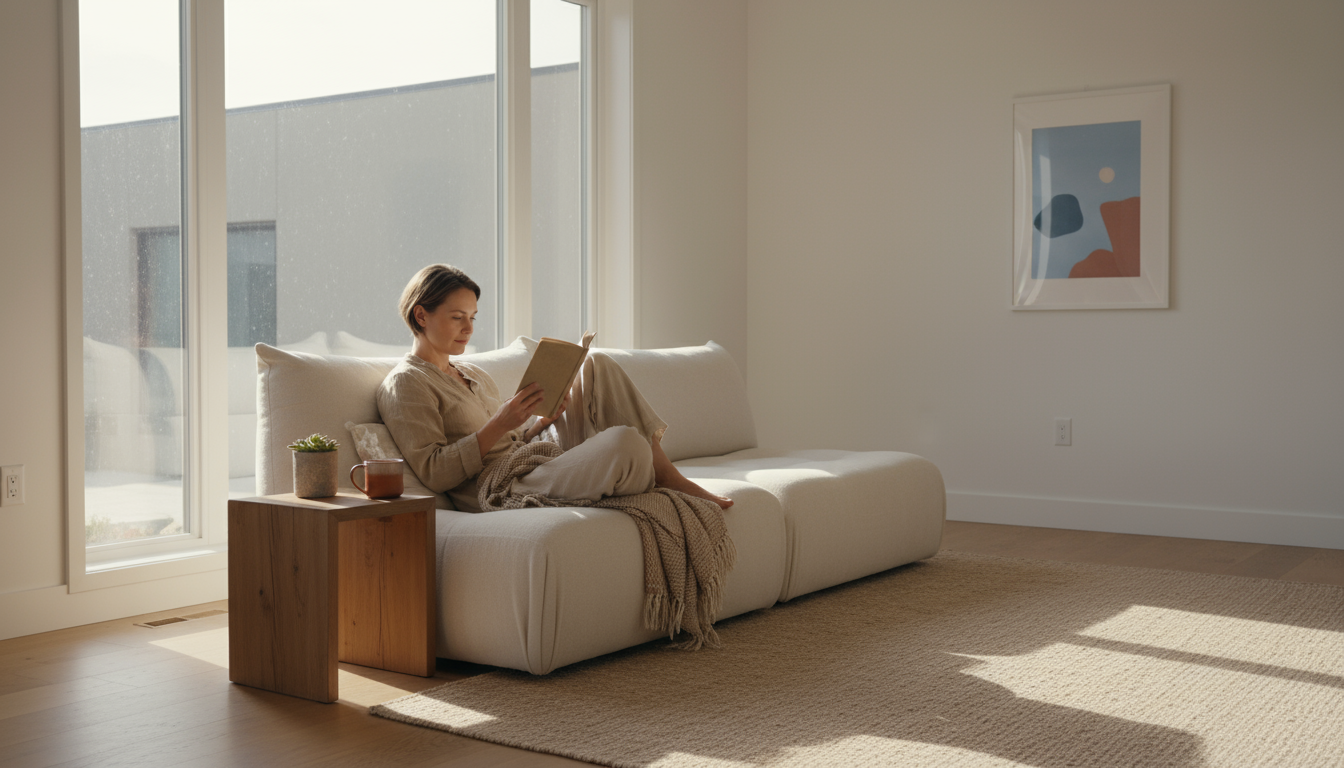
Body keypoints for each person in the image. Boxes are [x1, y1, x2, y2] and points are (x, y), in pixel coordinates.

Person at [377, 264, 732, 513]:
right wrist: (501, 422)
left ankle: (667, 475)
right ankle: (647, 472)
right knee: (626, 443)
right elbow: (435, 472)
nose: (468, 328)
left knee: (596, 365)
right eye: (457, 317)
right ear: (421, 315)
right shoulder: (405, 383)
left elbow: (510, 441)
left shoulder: (470, 372)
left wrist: (538, 422)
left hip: (528, 460)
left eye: (473, 317)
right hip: (501, 487)